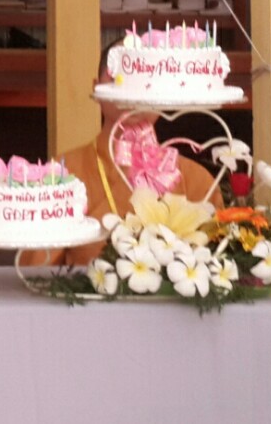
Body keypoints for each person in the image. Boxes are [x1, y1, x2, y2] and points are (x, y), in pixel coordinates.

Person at [27, 40, 222, 268]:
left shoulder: (196, 178)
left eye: (145, 80)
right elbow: (36, 270)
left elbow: (218, 267)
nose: (133, 91)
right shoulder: (61, 172)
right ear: (97, 89)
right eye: (120, 76)